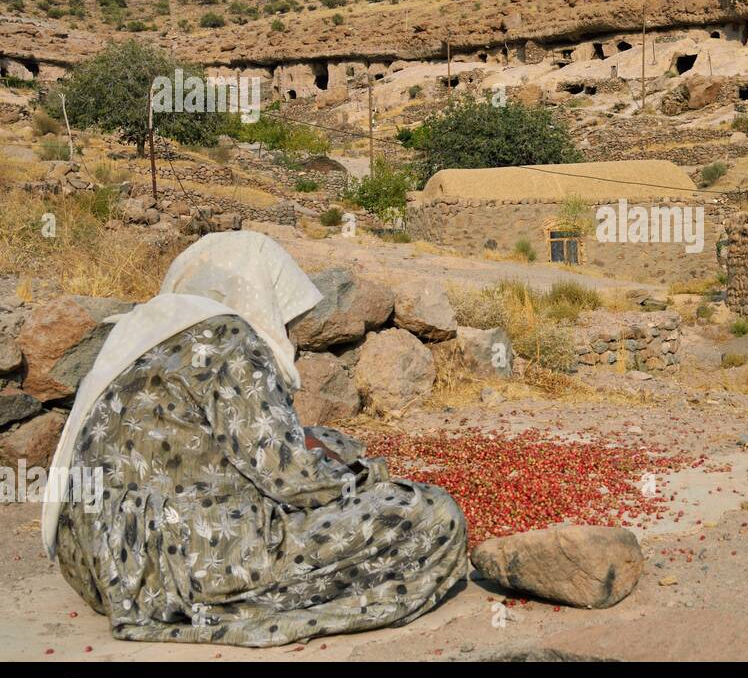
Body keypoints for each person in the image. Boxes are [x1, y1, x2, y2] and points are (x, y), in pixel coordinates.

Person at [42, 231, 466, 646]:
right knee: (432, 514)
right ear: (259, 293)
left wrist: (324, 449)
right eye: (285, 315)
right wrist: (366, 475)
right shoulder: (230, 337)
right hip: (173, 563)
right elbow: (295, 481)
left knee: (324, 439)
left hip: (96, 561)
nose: (289, 330)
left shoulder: (141, 333)